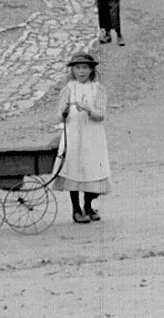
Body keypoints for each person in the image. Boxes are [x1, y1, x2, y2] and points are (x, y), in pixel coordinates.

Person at [54, 50, 112, 223]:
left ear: (91, 70)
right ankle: (76, 209)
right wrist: (64, 112)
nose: (81, 71)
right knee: (74, 168)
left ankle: (88, 205)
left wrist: (88, 109)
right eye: (78, 68)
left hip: (92, 136)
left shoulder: (97, 89)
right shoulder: (68, 89)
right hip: (73, 135)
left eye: (85, 68)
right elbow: (59, 116)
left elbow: (101, 115)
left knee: (91, 168)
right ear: (72, 70)